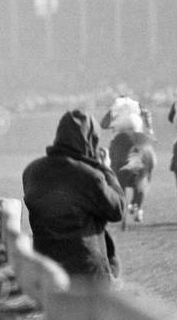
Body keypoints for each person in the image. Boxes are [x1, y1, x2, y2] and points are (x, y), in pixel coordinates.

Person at [23, 110, 125, 282]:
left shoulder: (32, 171)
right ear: (91, 139)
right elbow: (117, 210)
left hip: (46, 269)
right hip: (87, 273)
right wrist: (105, 169)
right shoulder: (91, 177)